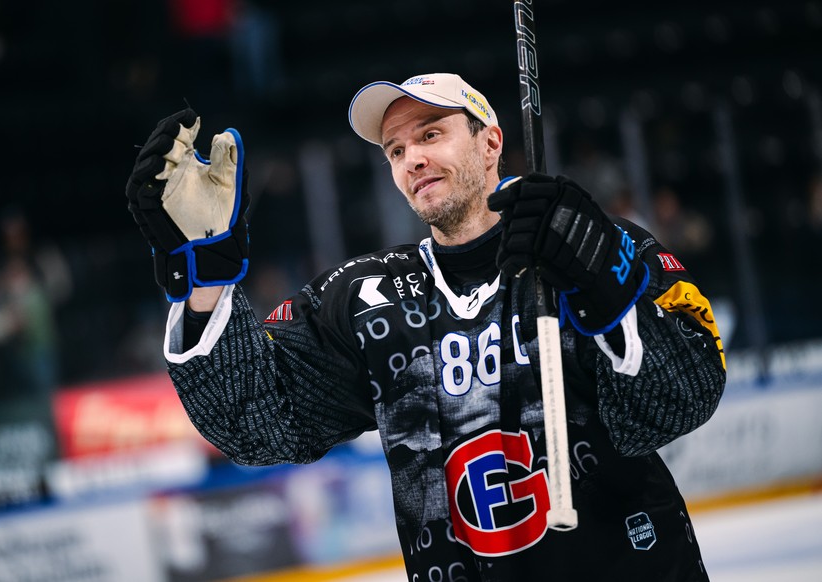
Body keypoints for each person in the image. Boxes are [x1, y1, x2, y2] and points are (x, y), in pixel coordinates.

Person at [126, 73, 726, 581]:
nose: (412, 158)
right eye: (395, 149)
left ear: (490, 142)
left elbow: (684, 398)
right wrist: (206, 275)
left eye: (431, 134)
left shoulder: (592, 244)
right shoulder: (362, 299)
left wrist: (601, 283)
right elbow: (255, 427)